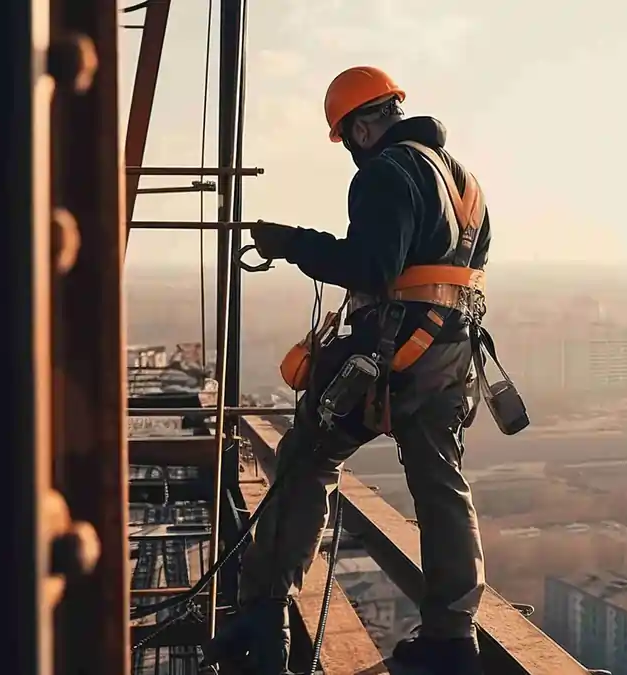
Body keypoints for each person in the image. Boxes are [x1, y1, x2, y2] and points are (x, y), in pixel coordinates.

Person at [206, 65, 491, 675]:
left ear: (360, 128)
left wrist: (293, 243)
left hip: (395, 350)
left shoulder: (387, 172)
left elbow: (371, 267)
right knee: (441, 485)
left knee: (308, 458)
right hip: (450, 352)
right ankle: (451, 638)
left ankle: (261, 610)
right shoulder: (464, 181)